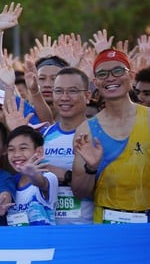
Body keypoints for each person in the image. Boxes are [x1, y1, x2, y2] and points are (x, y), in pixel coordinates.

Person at [72, 49, 150, 223]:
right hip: (105, 222)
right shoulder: (85, 129)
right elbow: (80, 193)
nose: (110, 78)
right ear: (95, 82)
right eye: (102, 74)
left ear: (131, 76)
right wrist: (91, 168)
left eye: (118, 71)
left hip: (149, 219)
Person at [42, 67, 94, 224]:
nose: (64, 97)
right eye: (58, 91)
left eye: (72, 91)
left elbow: (107, 190)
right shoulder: (45, 134)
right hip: (50, 229)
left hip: (86, 229)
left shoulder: (98, 134)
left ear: (87, 96)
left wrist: (65, 176)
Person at [6, 125, 58, 226]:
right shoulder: (9, 182)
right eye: (11, 149)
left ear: (39, 152)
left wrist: (33, 175)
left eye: (23, 148)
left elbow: (41, 182)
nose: (16, 154)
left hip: (42, 241)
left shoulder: (49, 177)